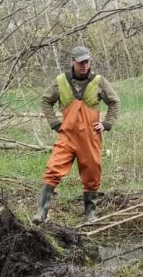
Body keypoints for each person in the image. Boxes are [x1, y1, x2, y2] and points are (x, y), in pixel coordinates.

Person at [33, 46, 120, 224]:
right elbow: (45, 100)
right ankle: (41, 211)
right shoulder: (60, 81)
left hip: (90, 137)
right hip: (67, 136)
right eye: (80, 62)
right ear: (72, 61)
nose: (84, 65)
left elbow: (114, 102)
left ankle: (90, 214)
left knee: (92, 174)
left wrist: (106, 124)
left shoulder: (99, 81)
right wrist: (55, 123)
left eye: (87, 62)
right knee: (53, 169)